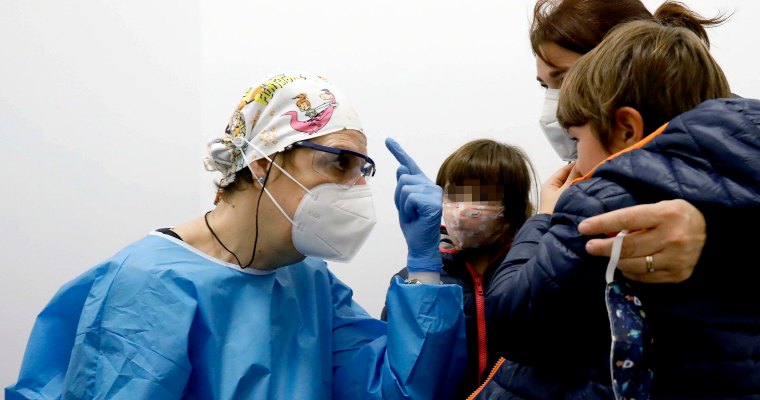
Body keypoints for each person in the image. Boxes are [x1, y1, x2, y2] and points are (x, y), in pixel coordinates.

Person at [478, 11, 760, 400]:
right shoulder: (739, 153)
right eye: (544, 85)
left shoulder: (735, 155)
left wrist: (716, 239)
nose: (553, 106)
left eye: (561, 78)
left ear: (621, 55)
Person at [5, 73, 467, 400]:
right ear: (264, 160)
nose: (357, 187)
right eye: (339, 162)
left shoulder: (309, 280)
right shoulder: (149, 284)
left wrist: (424, 264)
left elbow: (397, 392)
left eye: (362, 170)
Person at [380, 139, 536, 399]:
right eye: (454, 195)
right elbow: (396, 367)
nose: (463, 209)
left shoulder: (533, 272)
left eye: (482, 196)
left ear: (513, 205)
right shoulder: (416, 281)